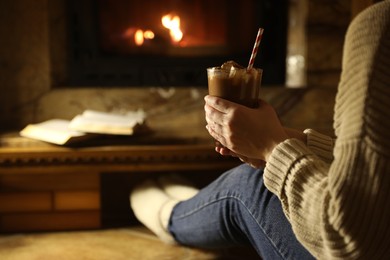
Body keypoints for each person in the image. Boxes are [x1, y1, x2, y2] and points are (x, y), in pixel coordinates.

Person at [130, 2, 390, 259]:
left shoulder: (380, 25)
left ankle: (169, 215)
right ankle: (188, 202)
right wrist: (286, 140)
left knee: (250, 184)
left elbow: (352, 241)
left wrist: (271, 146)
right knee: (258, 175)